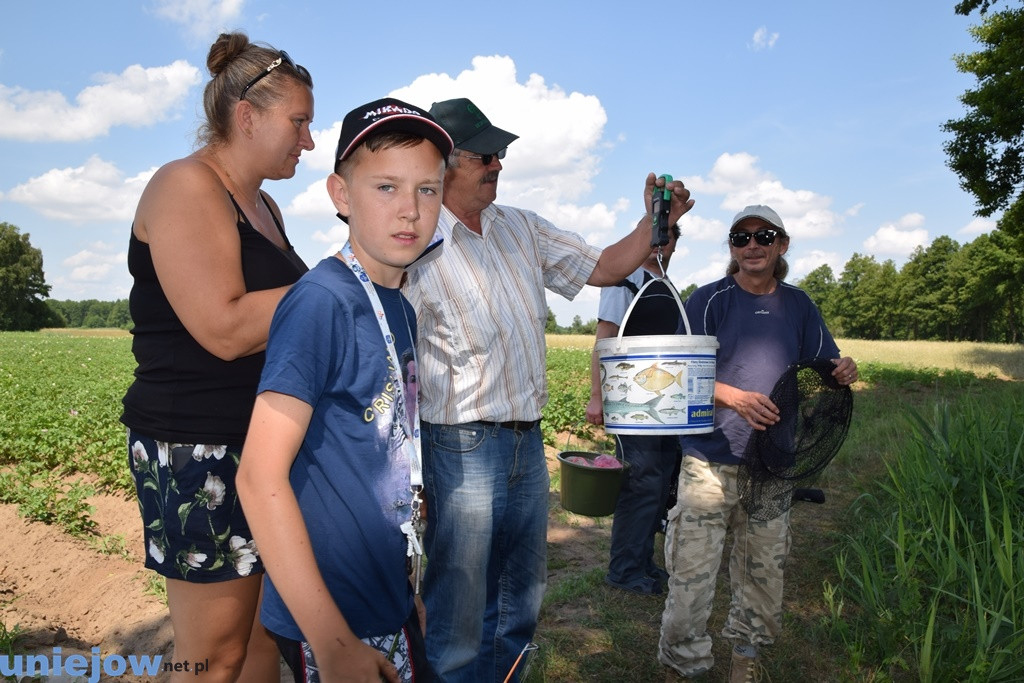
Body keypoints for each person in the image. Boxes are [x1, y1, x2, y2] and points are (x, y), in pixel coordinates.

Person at [404, 96, 694, 682]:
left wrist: (654, 223)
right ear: (444, 161)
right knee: (459, 603)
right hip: (456, 446)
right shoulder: (413, 241)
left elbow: (608, 266)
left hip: (524, 443)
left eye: (501, 155)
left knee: (519, 595)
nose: (498, 165)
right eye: (486, 154)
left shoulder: (521, 228)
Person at [236, 98, 453, 683]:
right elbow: (258, 476)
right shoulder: (321, 302)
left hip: (384, 596)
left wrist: (406, 595)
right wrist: (332, 644)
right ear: (340, 195)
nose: (409, 210)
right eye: (386, 186)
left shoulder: (399, 308)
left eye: (428, 190)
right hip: (332, 616)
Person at [120, 32, 313, 682]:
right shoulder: (184, 185)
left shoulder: (265, 206)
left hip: (256, 444)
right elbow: (225, 326)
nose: (308, 142)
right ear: (247, 115)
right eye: (299, 122)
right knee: (213, 657)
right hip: (196, 448)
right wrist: (342, 282)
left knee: (260, 643)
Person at [657, 205, 858, 682]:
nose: (752, 246)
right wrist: (733, 398)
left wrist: (842, 371)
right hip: (709, 461)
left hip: (774, 465)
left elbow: (822, 369)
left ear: (781, 245)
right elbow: (673, 372)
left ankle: (745, 658)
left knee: (763, 577)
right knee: (690, 579)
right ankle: (683, 663)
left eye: (764, 236)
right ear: (731, 247)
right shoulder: (707, 300)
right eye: (741, 237)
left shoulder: (799, 305)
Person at [585, 222, 684, 596]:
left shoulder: (667, 286)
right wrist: (598, 396)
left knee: (659, 482)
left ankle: (643, 561)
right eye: (658, 234)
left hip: (665, 405)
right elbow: (604, 339)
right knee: (640, 482)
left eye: (670, 236)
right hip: (631, 401)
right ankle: (624, 569)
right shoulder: (623, 281)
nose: (663, 242)